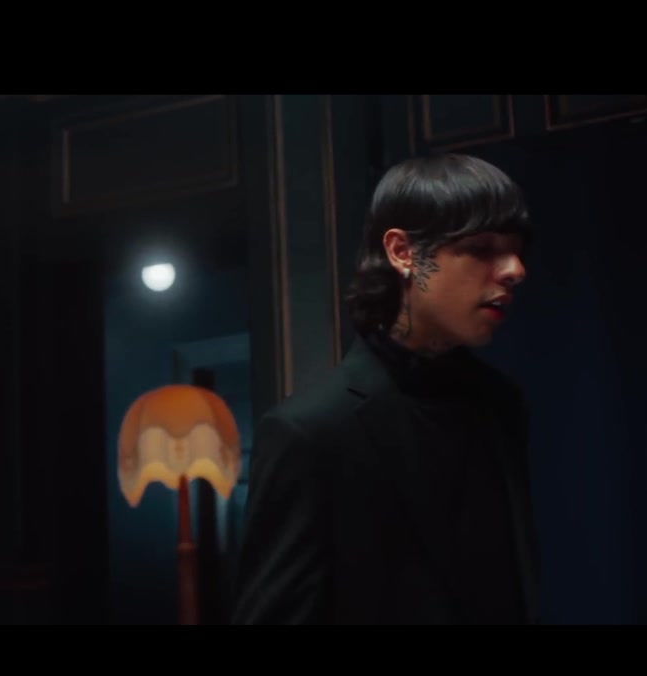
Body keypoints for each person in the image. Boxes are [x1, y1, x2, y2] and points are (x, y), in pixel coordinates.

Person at [231, 153, 540, 624]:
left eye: (517, 250)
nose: (515, 269)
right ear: (402, 252)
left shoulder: (502, 404)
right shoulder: (309, 433)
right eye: (481, 248)